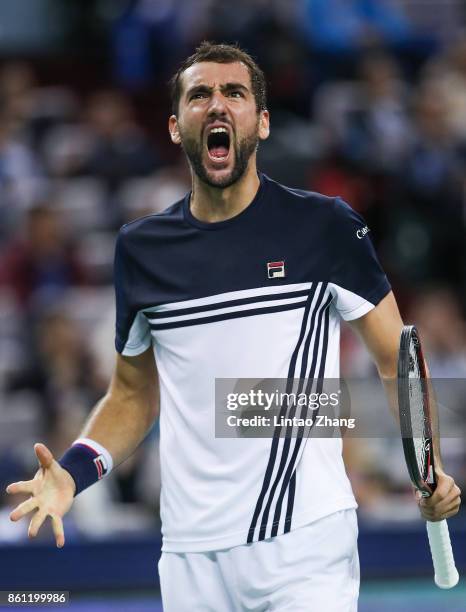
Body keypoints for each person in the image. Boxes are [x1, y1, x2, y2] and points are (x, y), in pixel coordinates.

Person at [6, 42, 461, 611]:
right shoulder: (141, 250)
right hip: (190, 556)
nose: (217, 105)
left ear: (262, 122)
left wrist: (431, 464)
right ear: (175, 127)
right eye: (200, 95)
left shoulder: (324, 227)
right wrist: (73, 473)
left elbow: (397, 358)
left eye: (235, 93)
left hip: (305, 544)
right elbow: (132, 395)